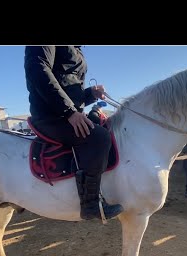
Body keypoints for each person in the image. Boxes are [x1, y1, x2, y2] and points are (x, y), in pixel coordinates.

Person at [24, 46, 123, 221]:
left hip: (67, 112)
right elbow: (38, 70)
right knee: (99, 137)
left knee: (104, 126)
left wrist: (90, 94)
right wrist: (69, 111)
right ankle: (90, 204)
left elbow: (68, 86)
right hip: (51, 115)